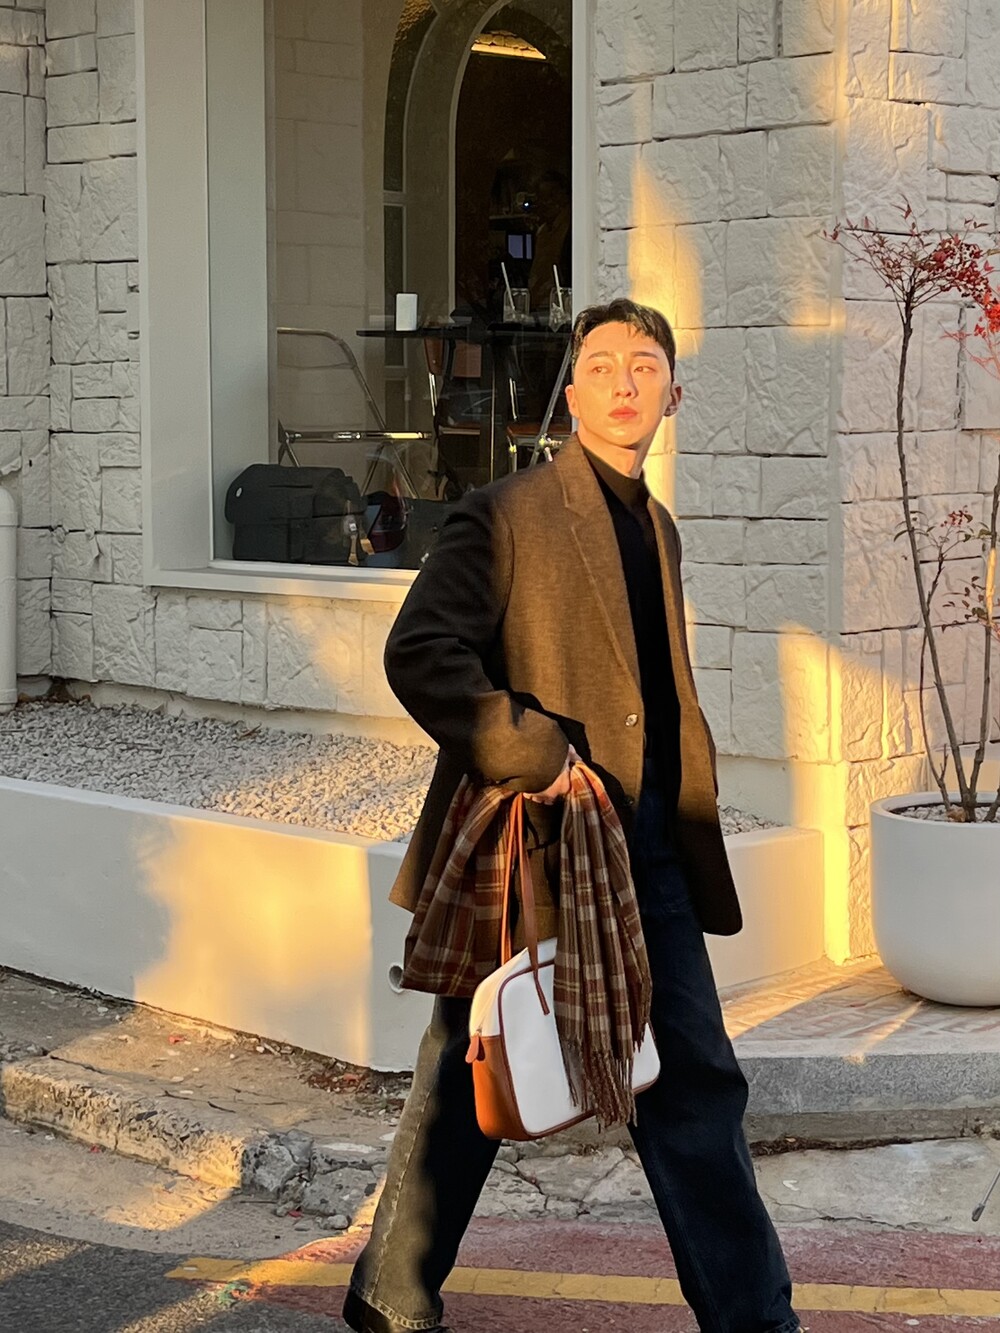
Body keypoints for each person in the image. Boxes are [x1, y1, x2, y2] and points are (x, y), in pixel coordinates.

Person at [343, 298, 801, 1333]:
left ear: (674, 394)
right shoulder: (508, 512)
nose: (624, 381)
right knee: (472, 1070)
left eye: (645, 364)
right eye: (600, 364)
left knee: (691, 1083)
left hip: (649, 848)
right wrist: (535, 751)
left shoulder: (658, 526)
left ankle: (754, 1316)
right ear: (572, 391)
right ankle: (390, 1293)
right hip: (541, 841)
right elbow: (420, 652)